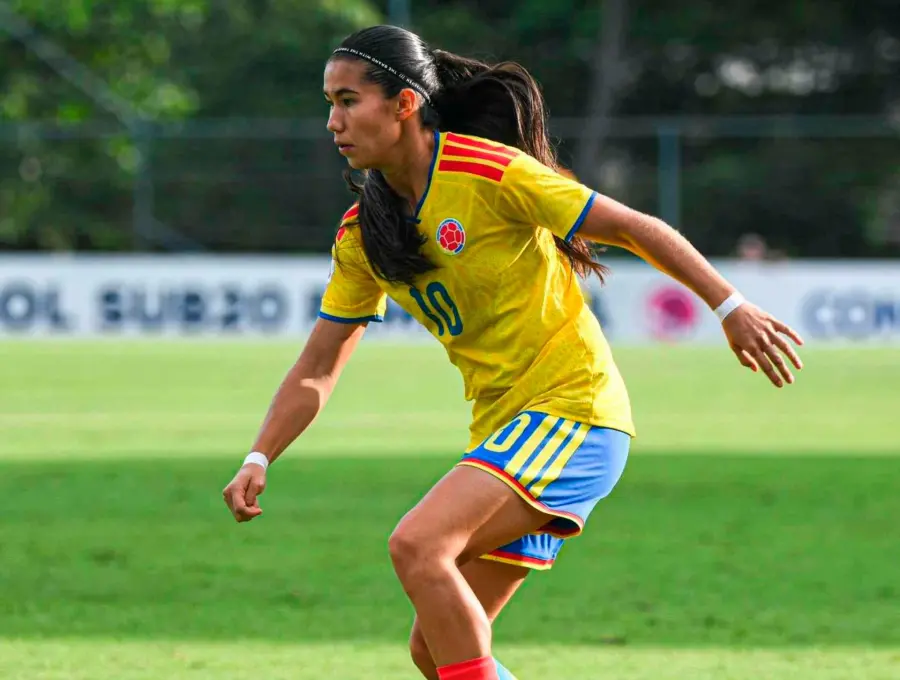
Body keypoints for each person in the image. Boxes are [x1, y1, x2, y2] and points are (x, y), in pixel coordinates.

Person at [222, 25, 804, 680]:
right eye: (329, 103)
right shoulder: (364, 234)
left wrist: (730, 307)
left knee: (417, 545)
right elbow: (319, 366)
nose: (333, 121)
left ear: (405, 104)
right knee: (432, 648)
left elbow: (633, 228)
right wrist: (259, 454)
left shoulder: (486, 172)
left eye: (349, 100)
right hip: (509, 434)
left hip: (573, 413)